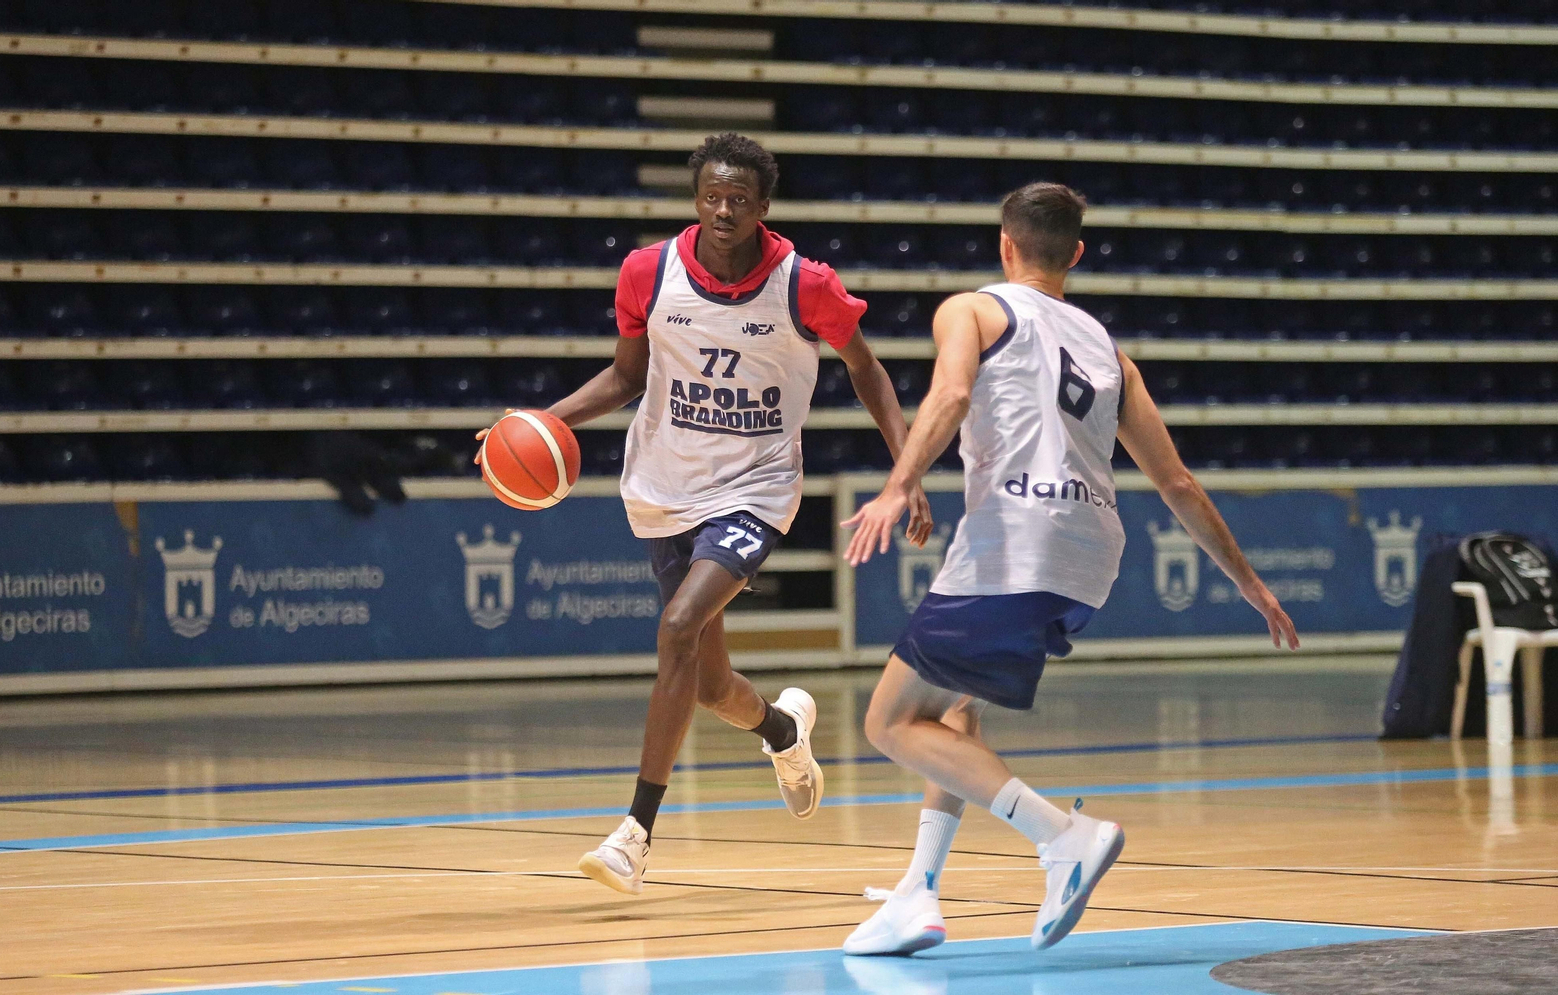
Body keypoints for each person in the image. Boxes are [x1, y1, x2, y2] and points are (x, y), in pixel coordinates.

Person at [839, 182, 1299, 954]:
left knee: (886, 720)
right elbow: (1177, 482)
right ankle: (917, 892)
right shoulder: (1110, 352)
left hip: (1016, 538)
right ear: (1077, 254)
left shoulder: (973, 309)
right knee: (954, 708)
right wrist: (1248, 581)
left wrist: (898, 482)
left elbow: (951, 392)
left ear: (1004, 244)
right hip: (1092, 552)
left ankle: (1062, 836)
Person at [478, 133, 931, 895]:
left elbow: (868, 369)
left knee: (679, 627)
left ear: (763, 207)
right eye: (712, 196)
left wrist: (906, 470)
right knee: (710, 682)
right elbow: (627, 376)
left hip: (755, 487)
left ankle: (635, 833)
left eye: (740, 199)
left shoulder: (804, 284)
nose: (724, 209)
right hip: (663, 485)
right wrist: (536, 422)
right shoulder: (647, 272)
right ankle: (783, 731)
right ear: (696, 198)